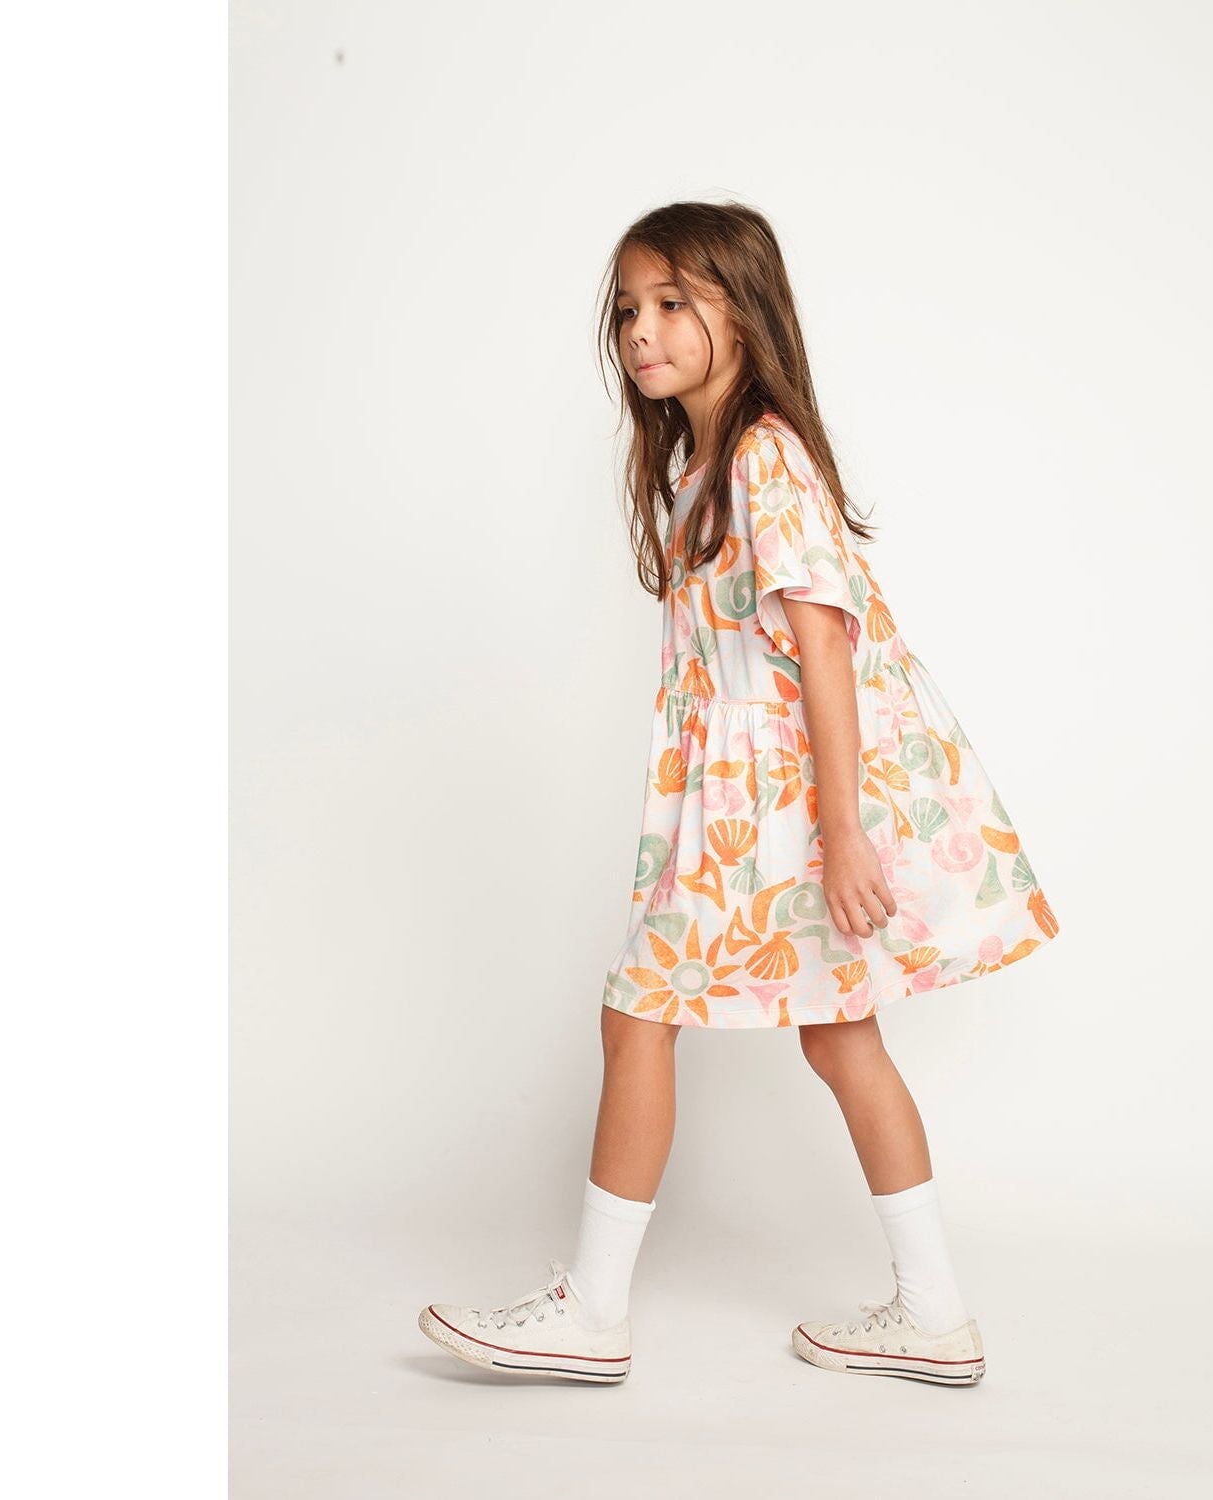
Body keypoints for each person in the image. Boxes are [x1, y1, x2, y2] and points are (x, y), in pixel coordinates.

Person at [419, 201, 1060, 1387]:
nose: (641, 330)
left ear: (744, 315)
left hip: (774, 812)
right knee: (839, 1035)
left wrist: (844, 832)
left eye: (673, 303)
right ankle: (934, 1314)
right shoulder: (705, 469)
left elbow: (825, 644)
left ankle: (593, 1311)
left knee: (640, 1016)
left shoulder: (764, 457)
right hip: (746, 804)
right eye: (628, 308)